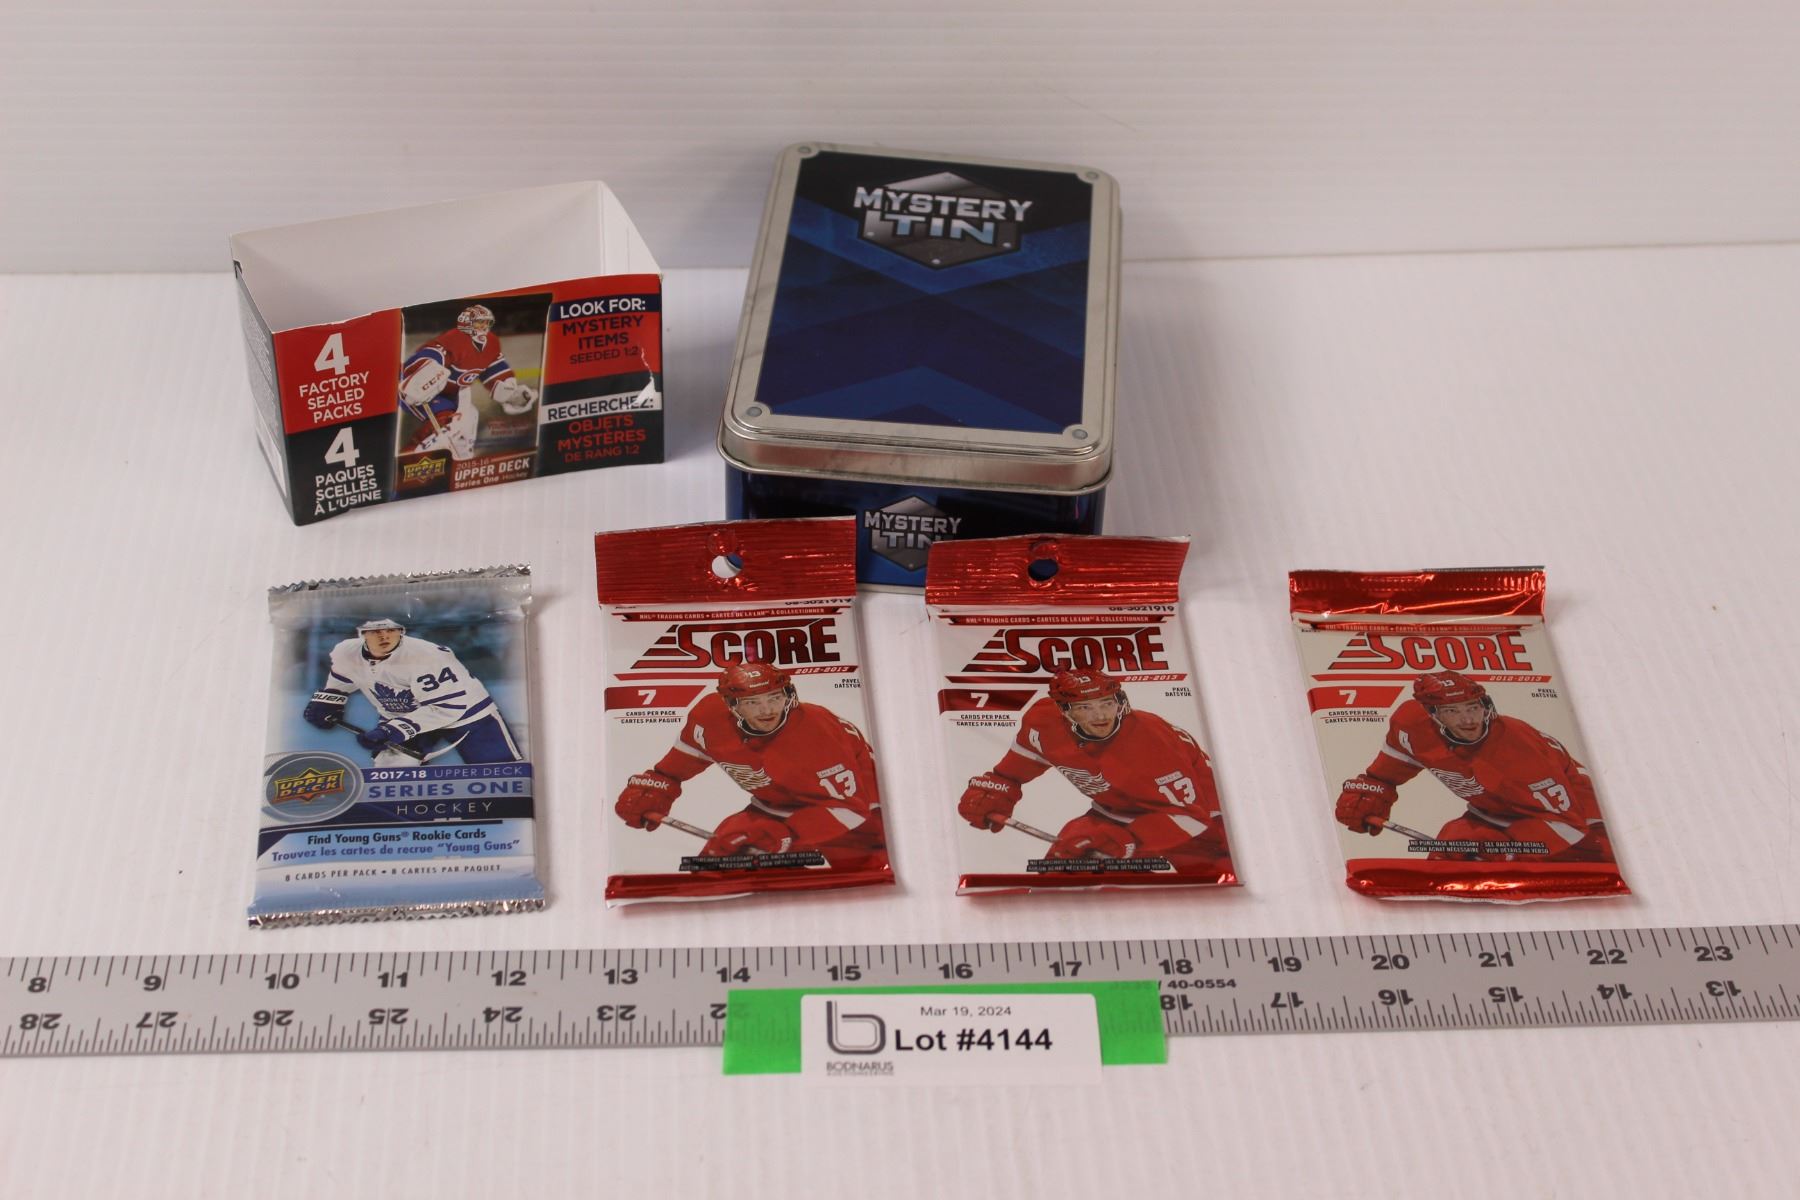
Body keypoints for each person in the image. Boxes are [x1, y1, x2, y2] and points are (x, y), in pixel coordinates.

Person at [957, 668, 1229, 865]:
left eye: (1106, 704)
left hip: (1202, 825)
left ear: (1120, 703)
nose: (1100, 716)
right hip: (1113, 813)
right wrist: (997, 789)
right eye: (1085, 707)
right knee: (1064, 868)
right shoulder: (1044, 721)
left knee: (1210, 900)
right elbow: (1017, 767)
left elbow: (1193, 816)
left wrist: (1126, 840)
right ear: (1064, 710)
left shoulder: (1151, 741)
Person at [614, 662, 884, 858]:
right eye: (753, 702)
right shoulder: (710, 716)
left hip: (857, 815)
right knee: (718, 866)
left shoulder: (816, 734)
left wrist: (784, 834)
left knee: (859, 890)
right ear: (731, 705)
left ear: (788, 696)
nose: (767, 710)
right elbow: (684, 760)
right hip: (774, 807)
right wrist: (658, 786)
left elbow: (851, 808)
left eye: (774, 698)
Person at [1335, 671, 1610, 861]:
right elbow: (1388, 772)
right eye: (1452, 711)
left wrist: (1508, 852)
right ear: (1432, 714)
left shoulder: (1518, 750)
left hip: (1580, 823)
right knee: (1452, 847)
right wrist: (1373, 791)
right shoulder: (1412, 723)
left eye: (1472, 707)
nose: (1468, 720)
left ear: (1485, 705)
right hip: (1495, 810)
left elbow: (1569, 823)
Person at [301, 618, 522, 765]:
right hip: (403, 714)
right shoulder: (346, 651)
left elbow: (448, 707)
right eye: (375, 632)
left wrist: (391, 731)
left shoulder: (427, 656)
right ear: (362, 635)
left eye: (391, 631)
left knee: (499, 774)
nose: (384, 636)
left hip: (468, 715)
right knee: (391, 774)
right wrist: (331, 699)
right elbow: (345, 675)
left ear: (401, 633)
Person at [398, 304, 536, 461]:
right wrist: (420, 376)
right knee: (448, 422)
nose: (483, 327)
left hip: (455, 393)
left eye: (486, 322)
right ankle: (409, 460)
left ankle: (461, 461)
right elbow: (432, 353)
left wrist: (510, 392)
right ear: (466, 323)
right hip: (423, 390)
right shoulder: (455, 340)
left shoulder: (491, 342)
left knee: (469, 420)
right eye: (479, 322)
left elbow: (494, 367)